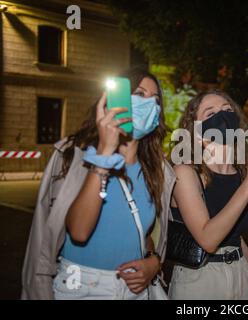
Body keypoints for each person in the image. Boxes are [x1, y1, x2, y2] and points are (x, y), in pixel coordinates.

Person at [21, 67, 176, 300]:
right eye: (140, 94)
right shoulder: (74, 155)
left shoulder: (157, 168)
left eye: (155, 100)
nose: (149, 104)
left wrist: (153, 262)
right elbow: (79, 232)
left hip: (135, 290)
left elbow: (141, 231)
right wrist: (104, 155)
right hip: (82, 286)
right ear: (114, 100)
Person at [168, 90, 248, 300]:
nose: (223, 116)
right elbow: (208, 239)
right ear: (196, 131)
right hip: (200, 278)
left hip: (240, 272)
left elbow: (231, 233)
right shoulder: (185, 173)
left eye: (227, 110)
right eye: (210, 113)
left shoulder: (241, 173)